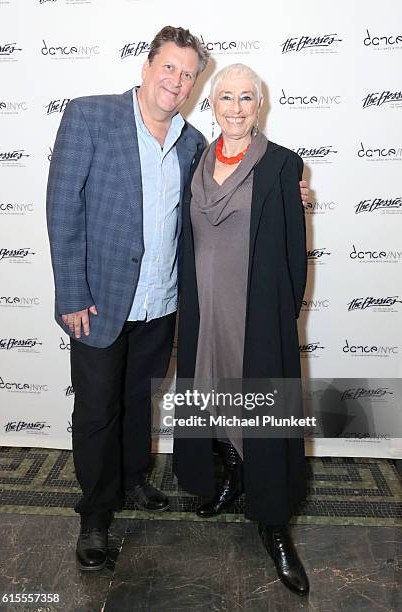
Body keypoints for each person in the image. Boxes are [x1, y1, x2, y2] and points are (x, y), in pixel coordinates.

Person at [46, 26, 309, 572]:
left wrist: (293, 188)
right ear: (147, 67)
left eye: (188, 74)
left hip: (164, 303)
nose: (178, 80)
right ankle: (96, 516)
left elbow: (249, 195)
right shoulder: (90, 116)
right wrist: (71, 292)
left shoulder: (192, 144)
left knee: (141, 403)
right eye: (169, 68)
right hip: (98, 301)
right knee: (96, 411)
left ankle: (135, 481)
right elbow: (61, 207)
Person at [173, 64, 310, 595]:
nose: (234, 107)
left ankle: (274, 526)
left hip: (256, 315)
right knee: (211, 395)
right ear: (211, 104)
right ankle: (232, 474)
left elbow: (294, 255)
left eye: (245, 97)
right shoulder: (195, 161)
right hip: (205, 312)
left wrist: (279, 316)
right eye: (225, 97)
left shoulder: (281, 166)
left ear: (261, 105)